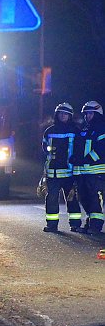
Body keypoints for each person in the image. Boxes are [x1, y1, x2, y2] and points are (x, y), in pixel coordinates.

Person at [41, 102, 82, 232]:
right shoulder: (49, 131)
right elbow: (44, 149)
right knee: (51, 199)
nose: (63, 116)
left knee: (72, 199)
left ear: (70, 116)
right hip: (52, 173)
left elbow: (80, 149)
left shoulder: (75, 131)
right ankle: (52, 225)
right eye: (60, 113)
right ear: (56, 114)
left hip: (70, 172)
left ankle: (75, 224)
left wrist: (76, 159)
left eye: (65, 114)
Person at [71, 100, 105, 234]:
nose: (87, 116)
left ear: (97, 114)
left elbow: (102, 148)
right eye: (86, 114)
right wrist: (75, 157)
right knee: (84, 198)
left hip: (96, 171)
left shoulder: (101, 128)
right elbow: (78, 147)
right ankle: (89, 222)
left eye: (90, 113)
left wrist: (88, 158)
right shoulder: (84, 129)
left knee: (95, 199)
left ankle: (96, 226)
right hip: (82, 172)